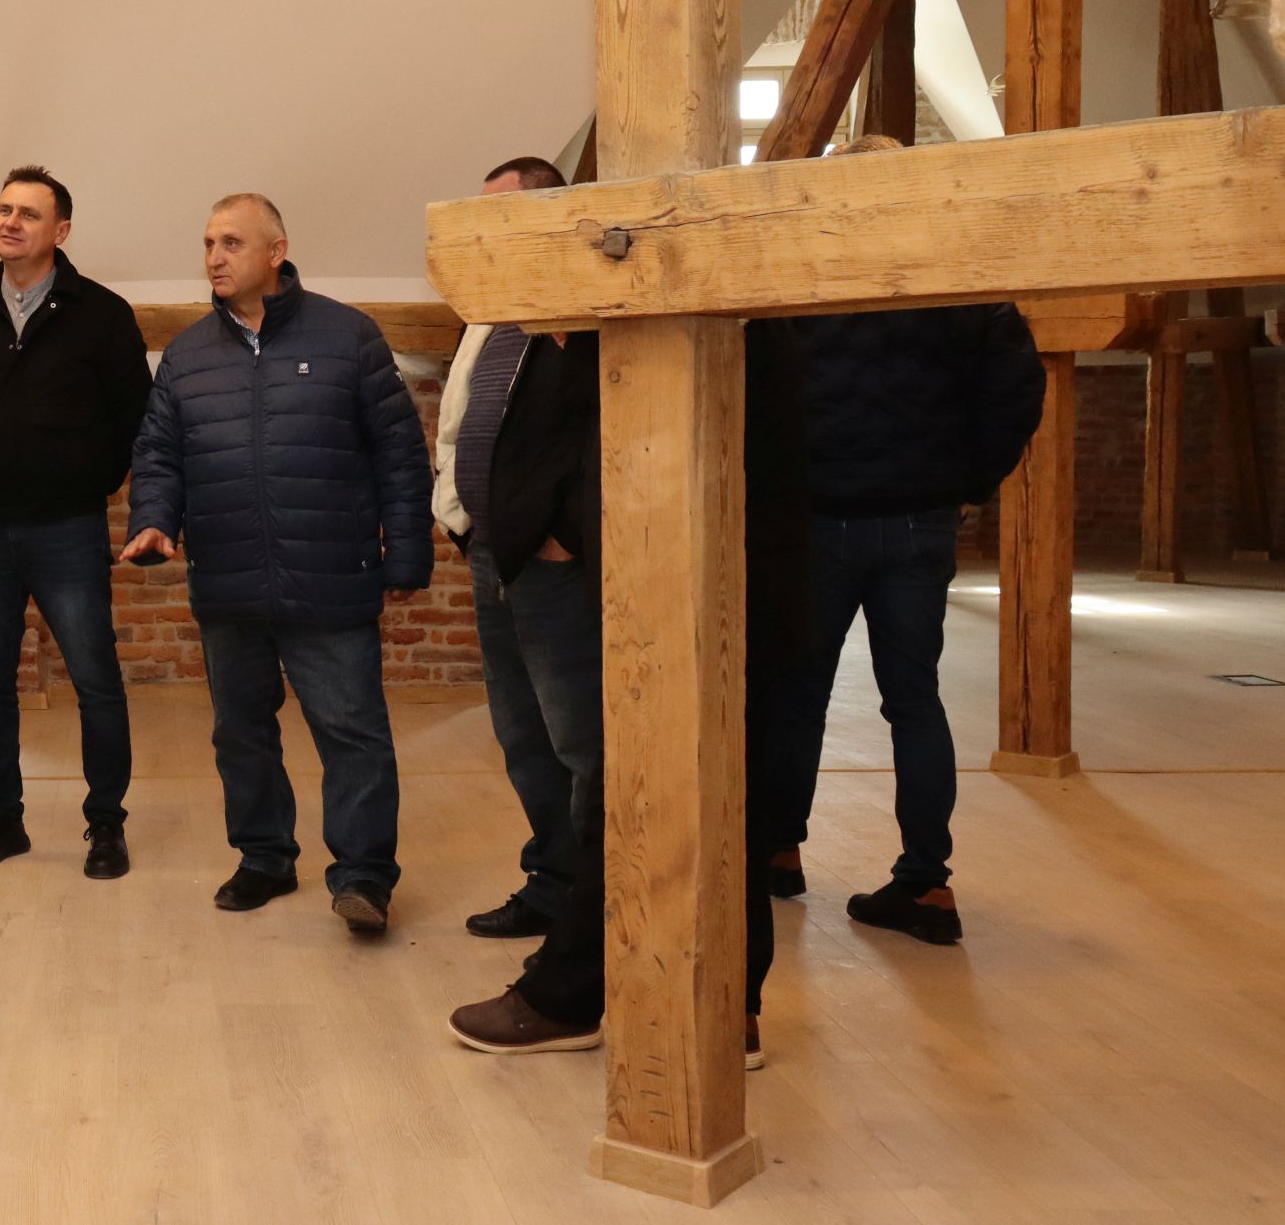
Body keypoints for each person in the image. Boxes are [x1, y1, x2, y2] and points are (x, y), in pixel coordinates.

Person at [449, 306, 813, 1066]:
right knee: (657, 784)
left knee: (647, 784)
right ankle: (713, 1006)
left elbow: (632, 436)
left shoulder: (711, 314)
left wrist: (564, 533)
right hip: (649, 562)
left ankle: (589, 996)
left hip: (678, 567)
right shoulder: (643, 312)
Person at [757, 134, 1046, 944]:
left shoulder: (801, 280)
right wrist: (968, 481)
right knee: (914, 699)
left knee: (797, 691)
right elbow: (1017, 391)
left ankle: (778, 850)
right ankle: (925, 883)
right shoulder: (959, 279)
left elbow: (761, 396)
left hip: (818, 518)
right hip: (921, 517)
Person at [122, 192, 434, 934]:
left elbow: (399, 453)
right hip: (228, 581)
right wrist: (154, 519)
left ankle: (363, 876)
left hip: (331, 576)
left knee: (352, 731)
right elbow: (159, 454)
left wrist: (407, 554)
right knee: (241, 732)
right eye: (208, 243)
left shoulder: (348, 336)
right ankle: (264, 856)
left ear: (276, 251)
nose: (214, 257)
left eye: (231, 242)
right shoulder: (187, 355)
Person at [0, 166, 153, 878]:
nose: (11, 222)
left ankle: (106, 824)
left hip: (68, 527)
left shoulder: (103, 313)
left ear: (61, 231)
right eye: (4, 209)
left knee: (95, 679)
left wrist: (88, 478)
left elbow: (135, 417)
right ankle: (2, 820)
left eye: (29, 213)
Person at [433, 156, 600, 944]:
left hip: (556, 563)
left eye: (499, 210)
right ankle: (553, 884)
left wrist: (567, 536)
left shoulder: (584, 307)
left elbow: (596, 432)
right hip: (492, 553)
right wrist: (458, 515)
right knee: (521, 733)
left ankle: (598, 906)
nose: (484, 226)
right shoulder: (488, 307)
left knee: (579, 739)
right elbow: (461, 420)